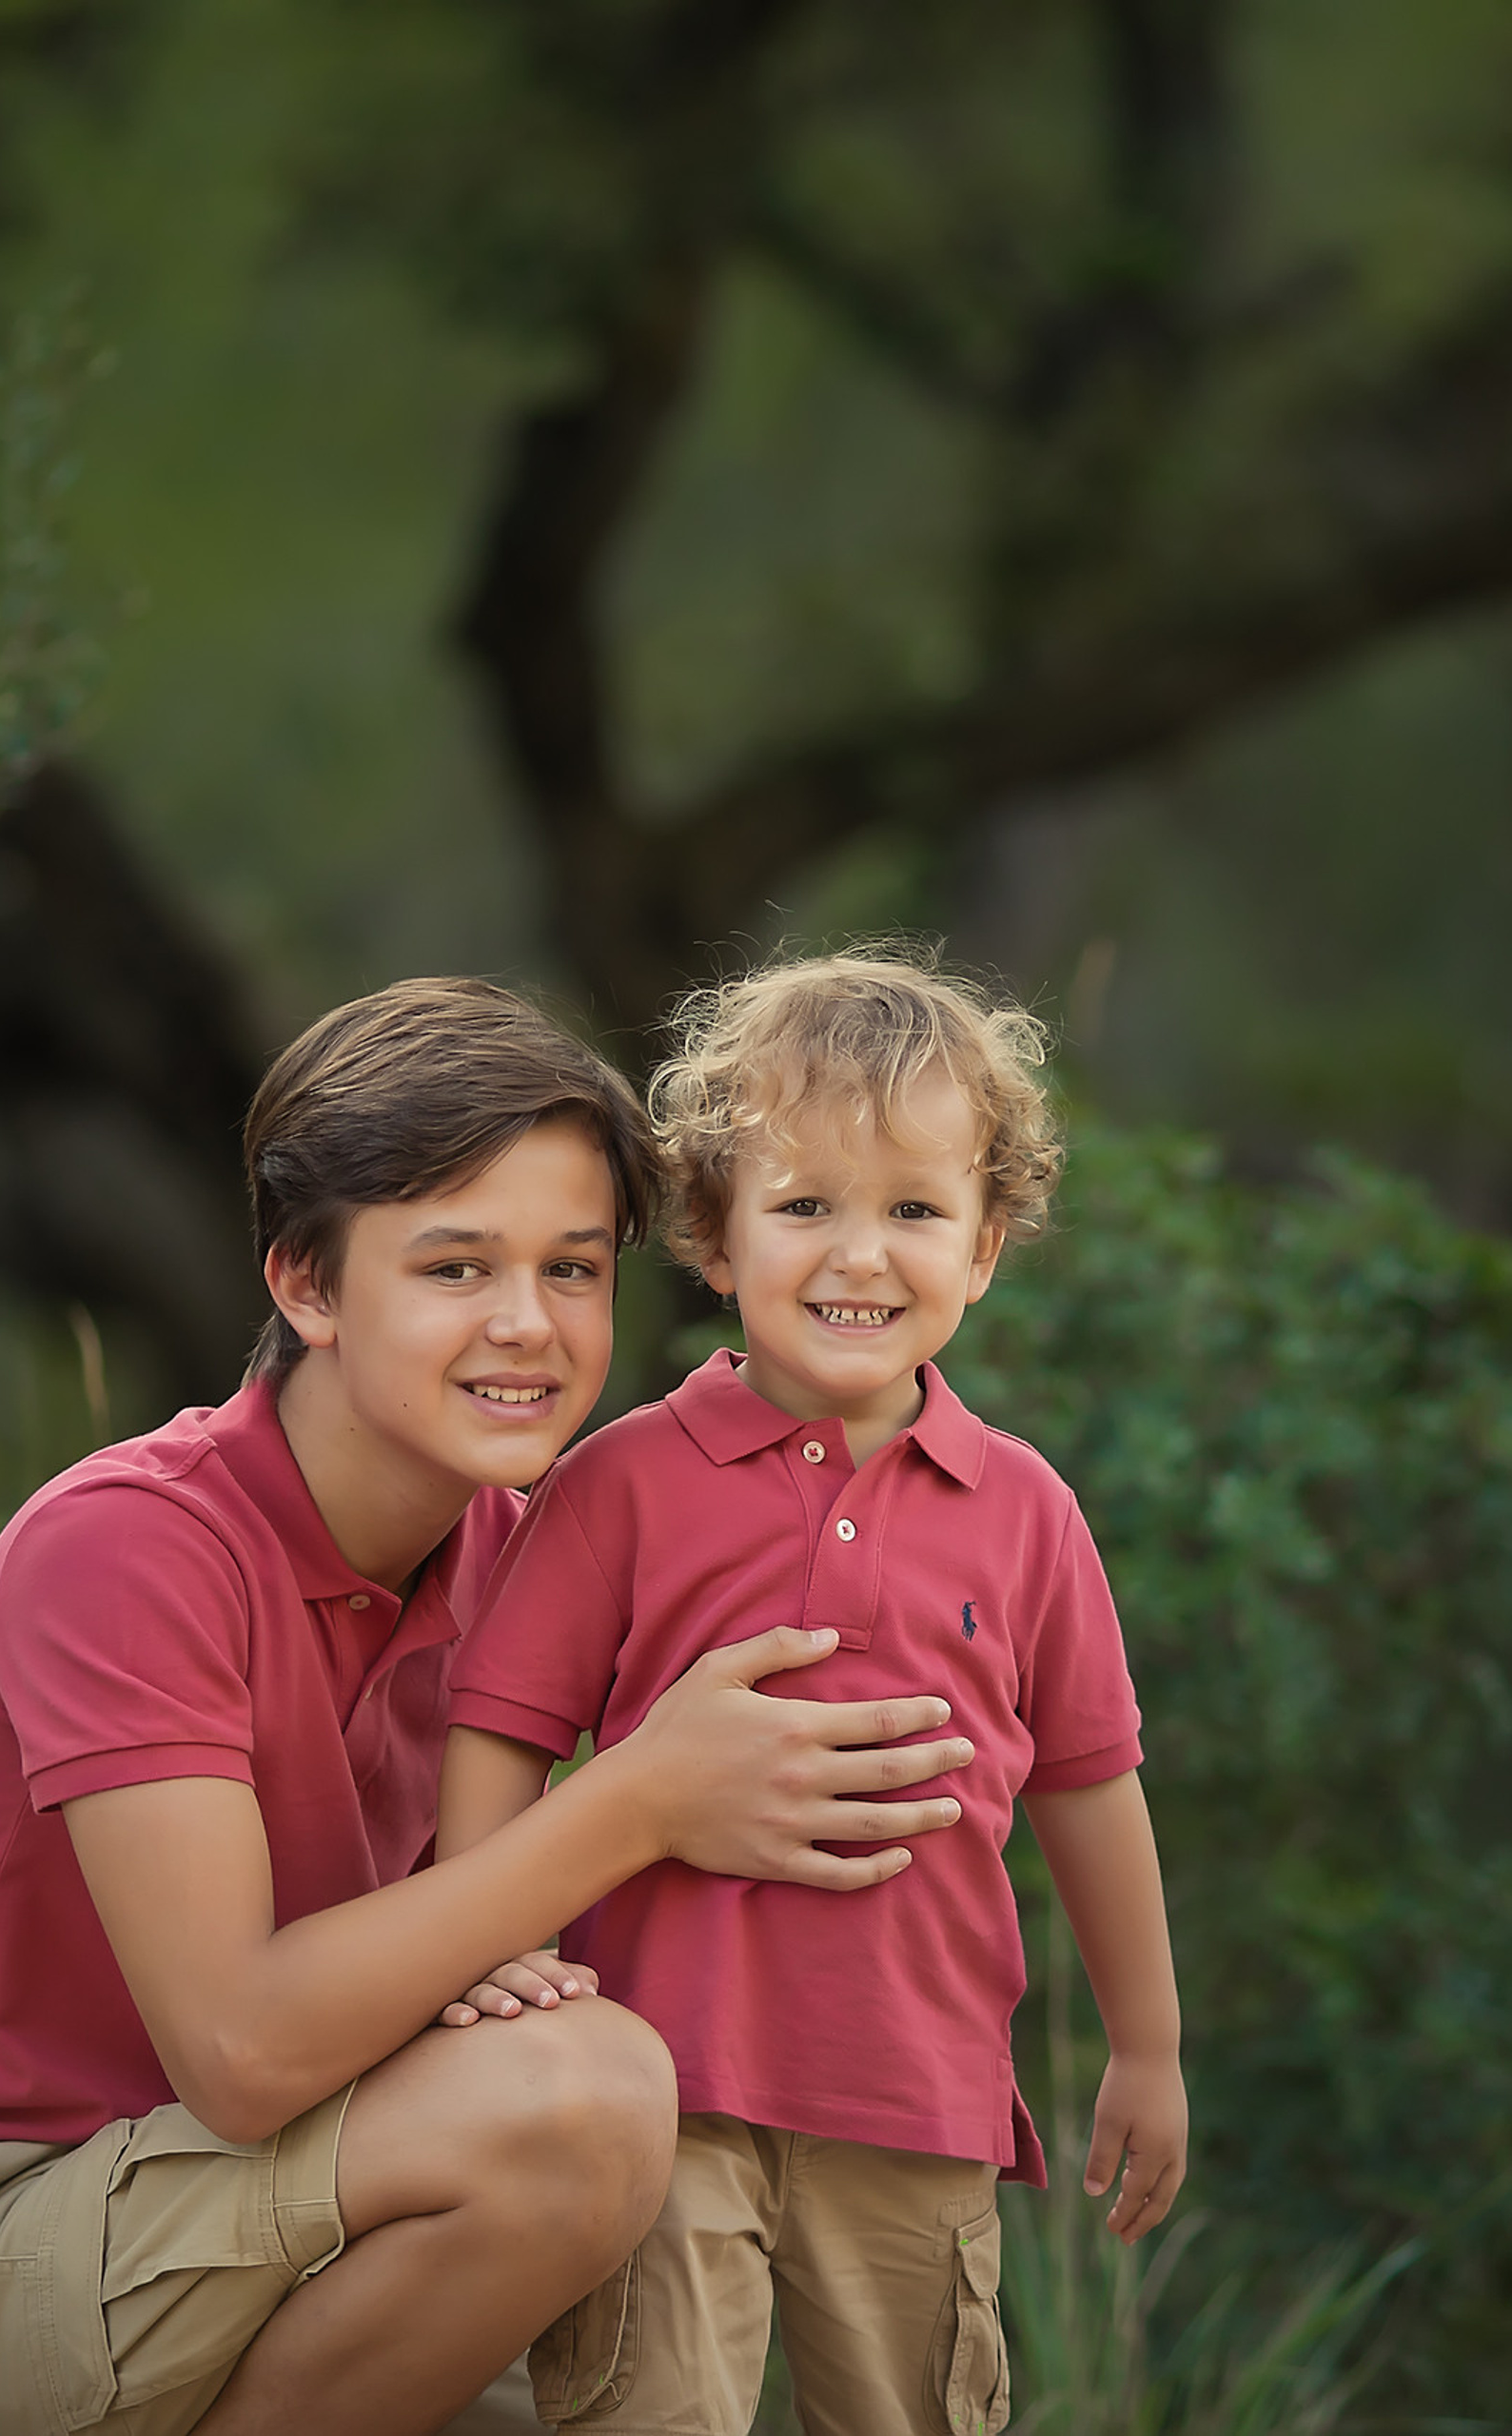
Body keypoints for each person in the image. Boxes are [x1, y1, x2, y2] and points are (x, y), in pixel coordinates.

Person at [0, 976, 975, 2436]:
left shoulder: (524, 1561)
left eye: (575, 1269)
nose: (528, 1326)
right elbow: (240, 2056)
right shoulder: (128, 1546)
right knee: (585, 2102)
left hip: (300, 2206)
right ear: (305, 1285)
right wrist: (640, 1797)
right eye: (456, 1269)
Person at [437, 952, 1188, 2436]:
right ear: (713, 1237)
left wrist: (1148, 2048)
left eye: (914, 1210)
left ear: (984, 1249)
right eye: (804, 1207)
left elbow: (1093, 1786)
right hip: (656, 2096)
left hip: (917, 2104)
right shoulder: (621, 1484)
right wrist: (491, 1935)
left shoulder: (1026, 1512)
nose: (860, 1255)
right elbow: (502, 1726)